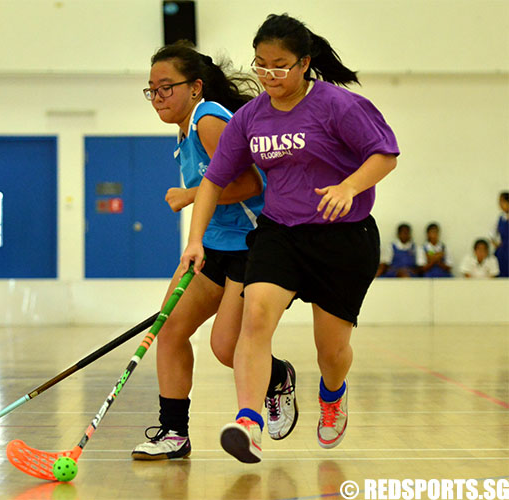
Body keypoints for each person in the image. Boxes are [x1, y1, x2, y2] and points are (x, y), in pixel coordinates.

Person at [179, 13, 398, 463]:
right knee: (255, 318)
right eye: (261, 64)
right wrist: (194, 240)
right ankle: (248, 422)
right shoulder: (251, 118)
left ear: (303, 63)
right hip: (280, 234)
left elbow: (385, 154)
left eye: (279, 65)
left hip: (343, 238)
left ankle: (332, 395)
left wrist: (349, 186)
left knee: (331, 350)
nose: (268, 75)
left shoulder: (339, 105)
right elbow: (214, 182)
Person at [131, 42, 298, 462]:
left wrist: (190, 195)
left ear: (195, 87)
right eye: (152, 89)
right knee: (169, 332)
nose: (158, 97)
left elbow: (251, 184)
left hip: (250, 249)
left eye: (166, 87)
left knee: (227, 348)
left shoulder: (208, 119)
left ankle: (278, 377)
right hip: (213, 249)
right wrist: (197, 242)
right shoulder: (185, 128)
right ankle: (173, 433)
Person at [491, 191, 509, 277]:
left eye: (502, 201)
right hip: (503, 250)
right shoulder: (501, 218)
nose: (500, 204)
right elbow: (492, 233)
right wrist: (495, 243)